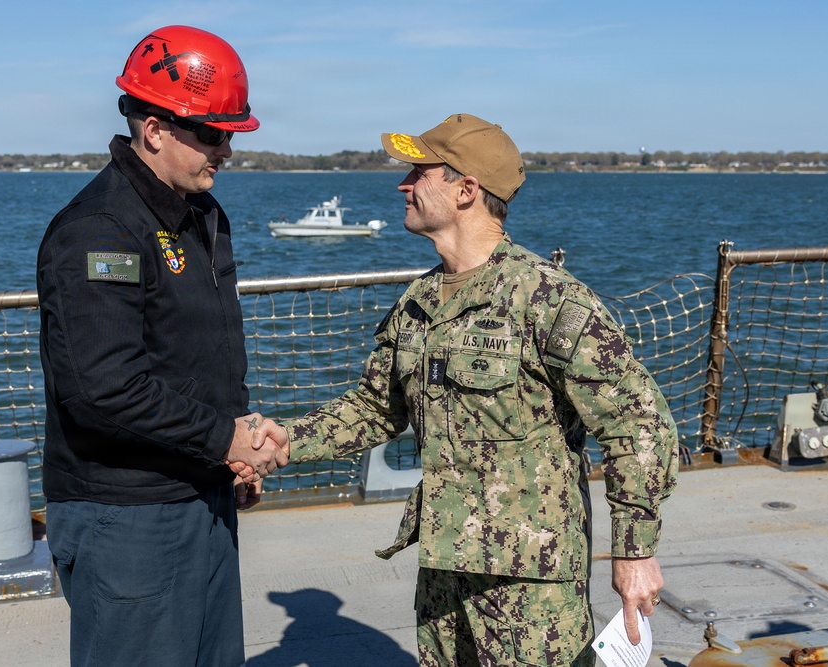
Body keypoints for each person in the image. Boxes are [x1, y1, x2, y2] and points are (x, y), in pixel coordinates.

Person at [255, 113, 679, 665]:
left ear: (466, 190)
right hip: (444, 565)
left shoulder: (547, 299)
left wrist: (635, 551)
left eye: (419, 173)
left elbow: (639, 424)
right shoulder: (419, 302)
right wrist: (285, 440)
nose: (403, 185)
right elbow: (376, 407)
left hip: (529, 583)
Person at [36, 25, 288, 667]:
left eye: (230, 134)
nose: (226, 149)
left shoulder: (201, 216)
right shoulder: (100, 231)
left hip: (200, 490)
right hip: (127, 517)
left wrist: (235, 449)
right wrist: (224, 439)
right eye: (212, 133)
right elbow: (104, 391)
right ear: (154, 130)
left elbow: (205, 348)